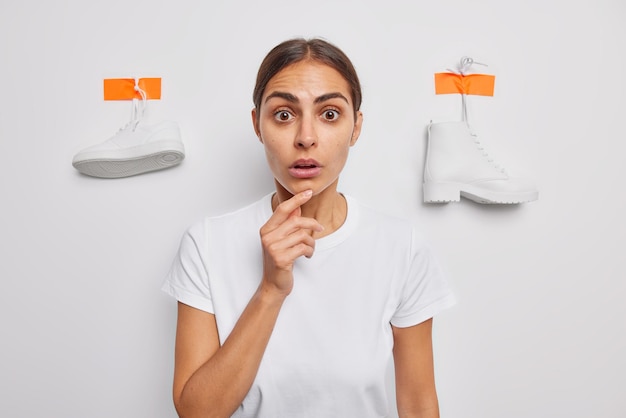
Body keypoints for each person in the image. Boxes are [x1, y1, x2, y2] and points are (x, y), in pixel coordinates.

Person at [162, 37, 456, 418]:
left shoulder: (401, 246)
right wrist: (270, 289)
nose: (306, 137)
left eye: (329, 114)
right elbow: (196, 412)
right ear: (257, 125)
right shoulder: (206, 244)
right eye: (284, 114)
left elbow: (418, 404)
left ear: (356, 128)